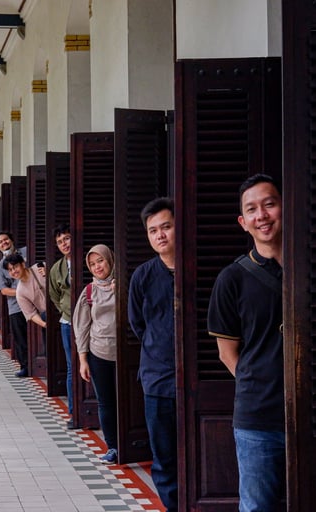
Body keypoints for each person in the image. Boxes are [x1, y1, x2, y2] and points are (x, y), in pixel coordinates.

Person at [207, 174, 284, 512]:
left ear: (285, 206)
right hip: (258, 419)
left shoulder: (312, 267)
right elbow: (227, 354)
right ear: (243, 222)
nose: (262, 215)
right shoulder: (232, 279)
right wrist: (261, 387)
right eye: (252, 209)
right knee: (257, 507)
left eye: (269, 204)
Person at [127, 197, 178, 511]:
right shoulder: (143, 276)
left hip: (202, 380)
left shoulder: (199, 269)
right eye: (153, 230)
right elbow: (138, 324)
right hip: (157, 380)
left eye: (166, 227)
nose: (160, 235)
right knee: (164, 456)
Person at [73, 244, 118, 464]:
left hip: (127, 354)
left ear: (110, 260)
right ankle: (113, 446)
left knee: (130, 400)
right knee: (106, 402)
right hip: (99, 352)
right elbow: (81, 327)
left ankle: (134, 443)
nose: (97, 267)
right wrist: (83, 360)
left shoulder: (126, 284)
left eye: (100, 261)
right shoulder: (89, 291)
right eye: (92, 264)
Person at [48, 224, 79, 429]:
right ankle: (74, 412)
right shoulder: (56, 269)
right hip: (68, 322)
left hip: (92, 323)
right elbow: (54, 295)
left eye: (67, 238)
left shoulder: (88, 260)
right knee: (71, 366)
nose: (64, 244)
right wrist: (66, 310)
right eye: (60, 242)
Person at [0, 231, 29, 377]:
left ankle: (43, 364)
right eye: (0, 242)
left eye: (6, 239)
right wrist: (22, 292)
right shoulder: (0, 266)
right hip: (16, 306)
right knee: (21, 338)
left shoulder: (27, 252)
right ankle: (25, 366)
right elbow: (3, 290)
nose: (4, 243)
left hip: (35, 302)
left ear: (12, 240)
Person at [4, 253, 48, 332]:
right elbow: (31, 313)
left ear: (23, 264)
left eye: (15, 267)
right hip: (47, 316)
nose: (14, 271)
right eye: (10, 270)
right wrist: (45, 324)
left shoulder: (39, 268)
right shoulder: (20, 292)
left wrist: (48, 273)